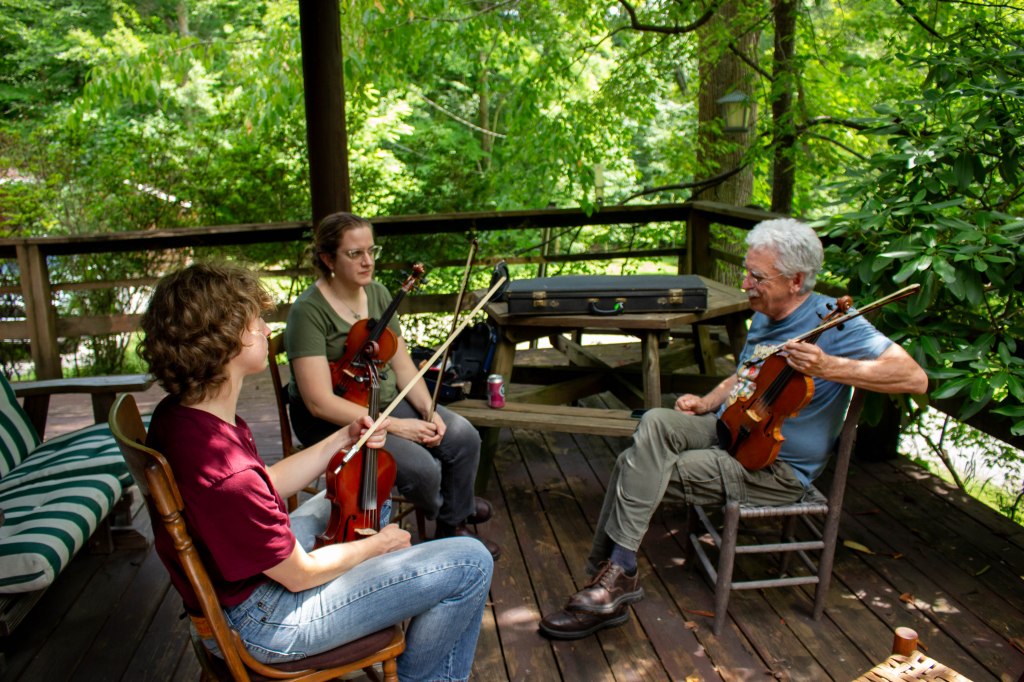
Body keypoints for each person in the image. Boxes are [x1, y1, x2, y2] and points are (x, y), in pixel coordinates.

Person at [538, 218, 929, 639]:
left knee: (636, 465)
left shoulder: (834, 323)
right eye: (747, 271)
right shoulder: (766, 310)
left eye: (756, 276)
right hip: (729, 427)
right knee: (654, 421)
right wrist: (707, 401)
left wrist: (829, 366)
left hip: (773, 467)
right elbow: (748, 373)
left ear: (796, 281)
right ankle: (617, 575)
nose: (745, 283)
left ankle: (610, 579)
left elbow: (914, 378)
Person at [139, 262, 493, 681]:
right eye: (255, 322)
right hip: (268, 622)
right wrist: (376, 547)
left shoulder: (183, 416)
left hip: (243, 586)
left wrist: (343, 437)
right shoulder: (227, 475)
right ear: (224, 340)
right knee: (471, 561)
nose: (267, 330)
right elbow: (297, 573)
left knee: (355, 496)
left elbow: (262, 486)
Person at [284, 212, 500, 559]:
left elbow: (403, 367)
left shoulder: (381, 294)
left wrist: (429, 410)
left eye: (372, 250)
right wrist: (400, 427)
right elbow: (318, 402)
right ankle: (451, 507)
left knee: (463, 436)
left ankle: (451, 525)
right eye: (355, 253)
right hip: (334, 417)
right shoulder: (308, 312)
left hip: (382, 399)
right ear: (328, 259)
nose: (367, 261)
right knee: (421, 469)